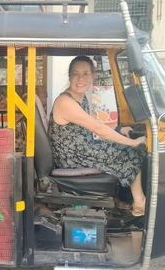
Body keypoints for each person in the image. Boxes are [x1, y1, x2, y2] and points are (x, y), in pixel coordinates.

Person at [48, 56, 147, 216]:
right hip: (72, 157)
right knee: (131, 152)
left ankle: (119, 199)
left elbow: (93, 124)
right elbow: (97, 129)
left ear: (93, 76)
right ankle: (139, 203)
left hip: (83, 149)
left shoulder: (80, 98)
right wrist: (133, 142)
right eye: (76, 74)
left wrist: (118, 129)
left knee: (121, 148)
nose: (81, 79)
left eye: (86, 73)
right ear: (69, 76)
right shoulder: (65, 101)